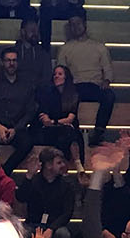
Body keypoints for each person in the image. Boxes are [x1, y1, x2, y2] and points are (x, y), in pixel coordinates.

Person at [16, 148, 78, 238]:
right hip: (33, 224)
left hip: (55, 226)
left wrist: (51, 228)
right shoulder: (34, 180)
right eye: (59, 163)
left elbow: (67, 213)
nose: (63, 165)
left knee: (64, 236)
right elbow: (21, 197)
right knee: (23, 235)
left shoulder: (67, 184)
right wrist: (28, 176)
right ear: (48, 165)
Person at [56, 14, 115, 147]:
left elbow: (108, 69)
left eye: (78, 23)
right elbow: (61, 70)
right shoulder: (65, 48)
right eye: (72, 24)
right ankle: (71, 133)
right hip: (75, 86)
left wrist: (106, 81)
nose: (75, 27)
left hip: (94, 86)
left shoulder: (99, 47)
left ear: (85, 25)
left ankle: (99, 132)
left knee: (109, 95)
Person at [0, 50, 37, 174]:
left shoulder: (27, 85)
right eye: (8, 60)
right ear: (2, 63)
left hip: (17, 129)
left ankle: (4, 172)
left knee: (27, 143)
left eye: (14, 60)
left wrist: (16, 129)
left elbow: (30, 111)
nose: (11, 63)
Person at [36, 65, 84, 166]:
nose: (56, 76)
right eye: (54, 74)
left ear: (66, 77)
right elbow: (44, 116)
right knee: (66, 134)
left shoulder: (73, 94)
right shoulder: (48, 93)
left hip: (66, 128)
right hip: (52, 130)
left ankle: (64, 165)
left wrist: (54, 122)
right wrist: (51, 121)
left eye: (60, 74)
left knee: (69, 134)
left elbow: (70, 118)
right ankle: (76, 164)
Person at [13, 11, 54, 94]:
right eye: (32, 31)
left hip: (38, 91)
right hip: (16, 91)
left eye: (36, 31)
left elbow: (46, 77)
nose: (35, 34)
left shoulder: (43, 53)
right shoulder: (13, 52)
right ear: (23, 32)